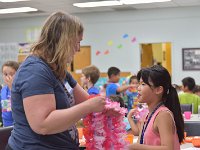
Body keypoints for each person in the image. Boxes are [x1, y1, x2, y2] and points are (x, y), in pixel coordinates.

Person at [6, 12, 114, 150]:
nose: (78, 48)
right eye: (77, 42)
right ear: (63, 41)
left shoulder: (59, 70)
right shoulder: (35, 70)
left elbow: (86, 100)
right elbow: (43, 124)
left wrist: (108, 109)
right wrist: (90, 107)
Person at [128, 65, 184, 150]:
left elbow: (168, 148)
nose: (138, 88)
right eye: (139, 84)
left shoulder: (163, 115)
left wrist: (137, 147)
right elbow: (141, 138)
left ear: (158, 90)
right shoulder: (147, 113)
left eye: (143, 84)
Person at [0, 61, 19, 127]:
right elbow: (4, 107)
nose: (8, 77)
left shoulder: (20, 89)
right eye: (5, 74)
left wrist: (12, 87)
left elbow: (18, 106)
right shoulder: (3, 90)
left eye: (11, 74)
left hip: (17, 126)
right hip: (5, 125)